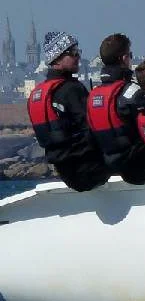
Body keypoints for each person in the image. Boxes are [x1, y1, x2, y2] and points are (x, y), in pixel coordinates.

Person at [86, 33, 145, 184]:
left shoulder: (93, 96)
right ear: (124, 58)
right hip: (139, 167)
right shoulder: (131, 92)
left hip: (110, 166)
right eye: (130, 55)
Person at [27, 31, 111, 191]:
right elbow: (93, 128)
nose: (78, 57)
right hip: (90, 171)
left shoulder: (38, 94)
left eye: (78, 52)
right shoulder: (71, 89)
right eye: (72, 53)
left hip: (66, 173)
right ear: (57, 58)